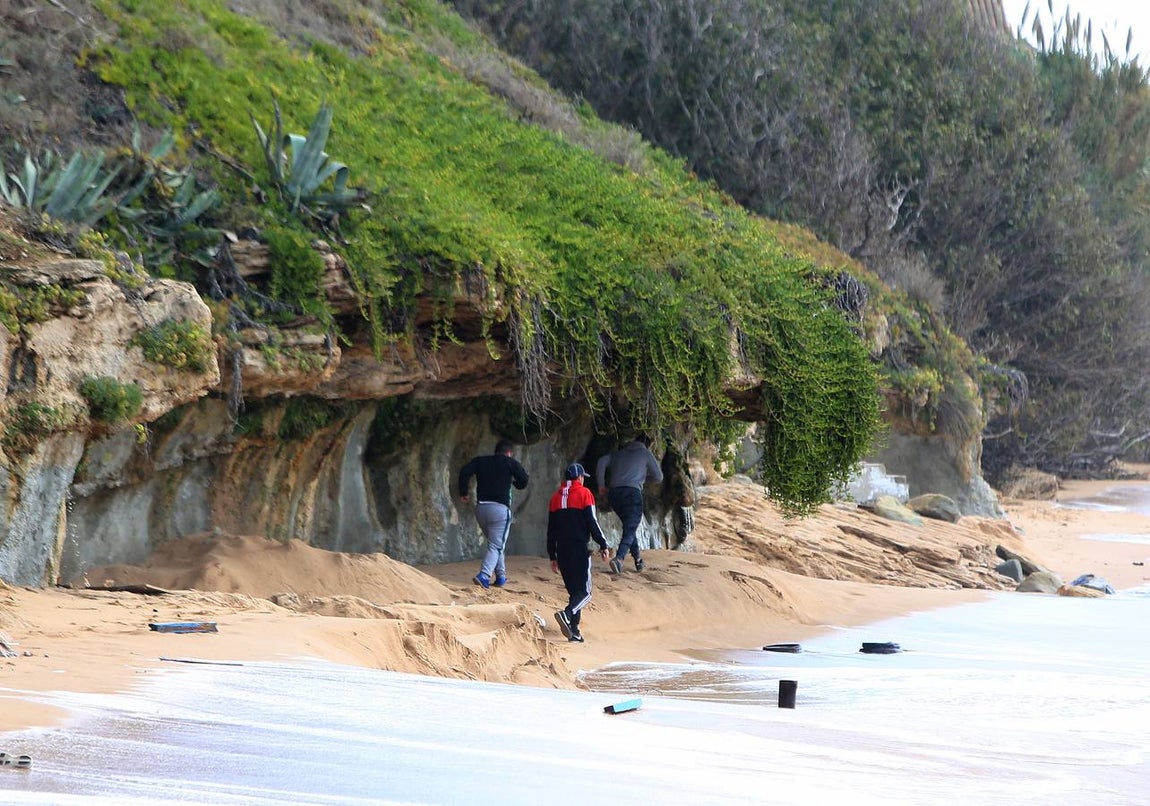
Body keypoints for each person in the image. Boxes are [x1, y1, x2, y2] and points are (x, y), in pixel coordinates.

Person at [547, 463, 610, 643]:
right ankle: (567, 614)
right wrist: (603, 544)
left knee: (575, 592)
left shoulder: (554, 498)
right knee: (585, 592)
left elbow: (551, 530)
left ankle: (574, 631)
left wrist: (552, 555)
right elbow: (592, 522)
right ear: (580, 478)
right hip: (579, 548)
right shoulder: (584, 494)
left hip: (562, 550)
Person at [458, 439, 529, 589]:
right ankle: (484, 575)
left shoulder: (481, 461)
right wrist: (515, 483)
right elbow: (524, 479)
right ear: (509, 453)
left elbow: (464, 472)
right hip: (499, 510)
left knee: (496, 544)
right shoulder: (509, 462)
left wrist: (463, 492)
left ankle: (501, 576)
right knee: (496, 545)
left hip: (481, 509)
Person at [596, 433, 663, 574]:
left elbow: (601, 461)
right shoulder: (645, 453)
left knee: (629, 527)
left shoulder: (618, 453)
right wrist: (643, 479)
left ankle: (638, 560)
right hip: (632, 494)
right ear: (648, 444)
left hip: (614, 494)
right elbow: (659, 477)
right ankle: (619, 559)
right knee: (631, 528)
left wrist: (601, 485)